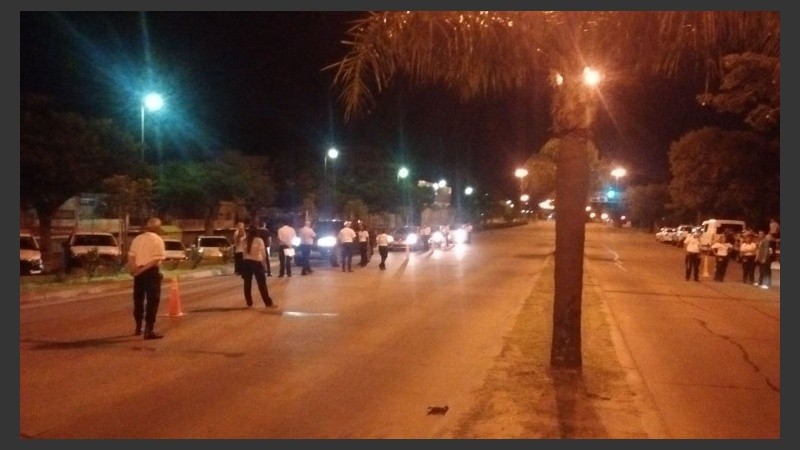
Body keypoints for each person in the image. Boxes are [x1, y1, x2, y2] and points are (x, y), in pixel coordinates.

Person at [127, 217, 167, 340]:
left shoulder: (137, 239)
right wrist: (141, 270)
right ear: (157, 228)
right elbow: (155, 260)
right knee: (152, 301)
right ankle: (149, 330)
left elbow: (131, 256)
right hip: (151, 273)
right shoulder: (158, 240)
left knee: (138, 299)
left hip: (138, 274)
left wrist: (135, 270)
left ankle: (138, 327)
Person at [241, 225, 276, 308]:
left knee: (247, 284)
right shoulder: (259, 240)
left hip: (246, 263)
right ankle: (268, 303)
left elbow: (243, 253)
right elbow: (263, 253)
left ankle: (249, 303)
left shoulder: (244, 240)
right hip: (256, 263)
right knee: (262, 284)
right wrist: (264, 264)